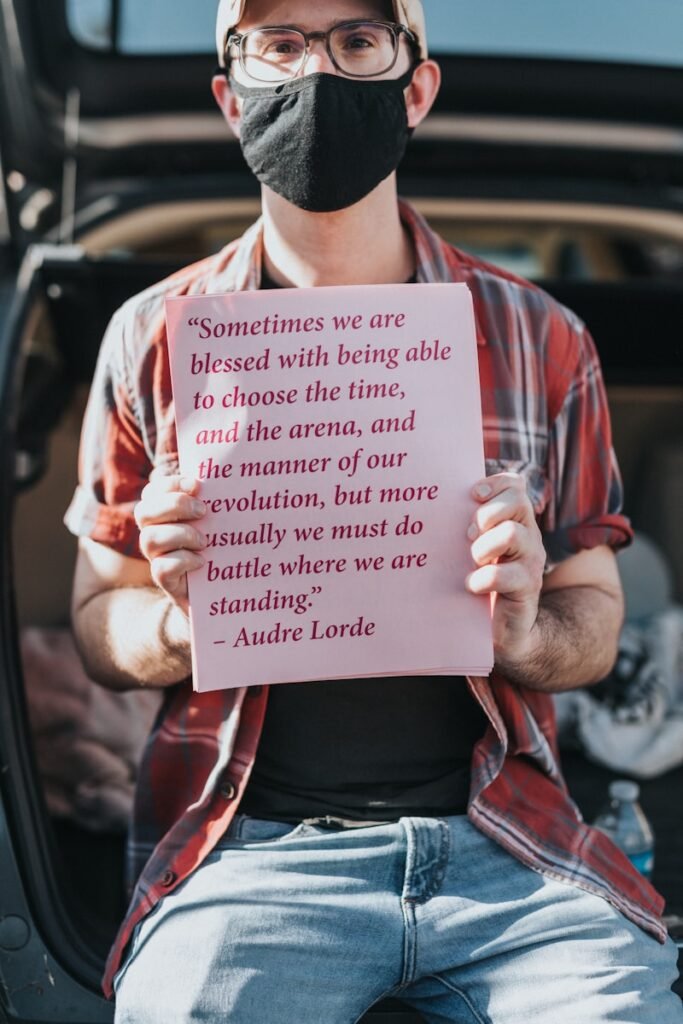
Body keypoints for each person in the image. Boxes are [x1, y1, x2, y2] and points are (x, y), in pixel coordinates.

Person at [65, 1, 683, 1021]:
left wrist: (525, 627)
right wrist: (182, 616)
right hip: (248, 860)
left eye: (357, 41)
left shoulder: (542, 337)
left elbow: (593, 620)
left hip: (507, 851)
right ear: (232, 97)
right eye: (279, 45)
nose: (316, 73)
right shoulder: (152, 341)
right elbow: (98, 623)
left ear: (416, 85)